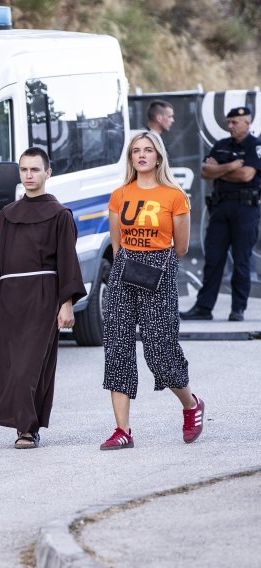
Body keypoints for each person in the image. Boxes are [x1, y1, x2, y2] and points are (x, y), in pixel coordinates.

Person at [101, 130, 204, 450]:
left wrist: (153, 259)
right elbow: (117, 245)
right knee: (117, 349)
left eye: (148, 150)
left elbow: (182, 247)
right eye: (135, 151)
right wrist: (125, 267)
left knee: (160, 352)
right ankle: (123, 431)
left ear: (158, 157)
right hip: (124, 271)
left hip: (160, 269)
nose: (141, 155)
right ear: (131, 158)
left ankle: (191, 405)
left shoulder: (174, 196)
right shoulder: (120, 194)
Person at [0, 147, 85, 449]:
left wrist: (66, 304)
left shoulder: (60, 215)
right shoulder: (8, 215)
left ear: (47, 173)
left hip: (42, 298)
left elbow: (68, 262)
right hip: (8, 299)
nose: (28, 175)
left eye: (35, 170)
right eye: (24, 170)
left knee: (29, 365)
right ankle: (23, 422)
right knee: (7, 364)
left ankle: (26, 429)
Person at [180, 106, 261, 322]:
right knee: (214, 259)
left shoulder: (256, 146)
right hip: (220, 208)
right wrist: (232, 165)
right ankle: (204, 308)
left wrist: (221, 169)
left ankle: (238, 309)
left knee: (241, 261)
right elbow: (206, 172)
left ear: (247, 123)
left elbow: (246, 175)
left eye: (235, 122)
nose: (230, 126)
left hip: (246, 209)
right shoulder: (221, 145)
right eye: (229, 122)